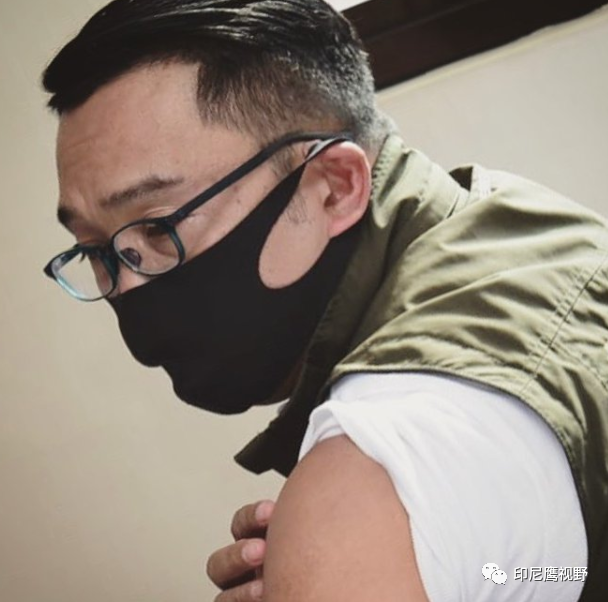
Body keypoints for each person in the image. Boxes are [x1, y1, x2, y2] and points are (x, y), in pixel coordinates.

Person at [41, 1, 607, 601]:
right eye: (95, 250)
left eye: (159, 227)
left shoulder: (381, 455)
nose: (129, 288)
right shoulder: (514, 226)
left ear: (335, 187)